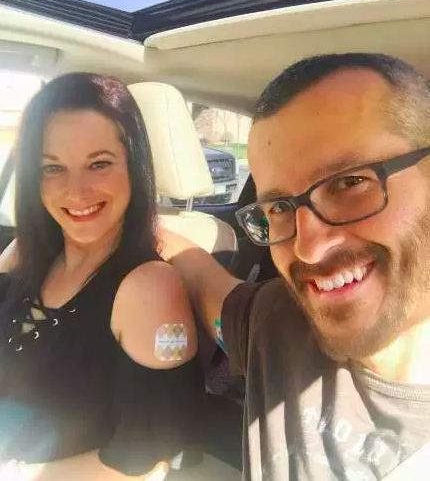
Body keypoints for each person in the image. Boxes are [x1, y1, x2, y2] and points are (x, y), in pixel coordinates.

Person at [158, 53, 430, 481]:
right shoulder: (278, 321)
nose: (309, 249)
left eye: (350, 182)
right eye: (280, 208)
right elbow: (198, 274)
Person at [0, 73, 206, 480]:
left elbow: (146, 465)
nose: (76, 191)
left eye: (99, 164)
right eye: (53, 168)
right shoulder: (26, 253)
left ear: (134, 167)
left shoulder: (150, 289)